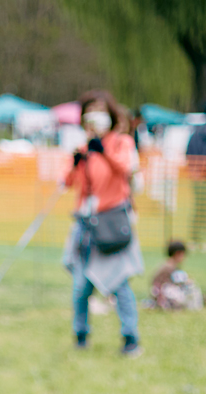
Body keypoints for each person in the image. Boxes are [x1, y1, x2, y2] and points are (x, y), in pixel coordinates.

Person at [62, 89, 144, 357]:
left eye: (99, 109)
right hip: (86, 222)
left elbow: (125, 169)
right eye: (90, 110)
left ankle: (130, 338)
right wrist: (76, 163)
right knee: (80, 286)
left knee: (120, 283)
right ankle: (80, 333)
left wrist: (103, 151)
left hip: (111, 222)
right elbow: (68, 183)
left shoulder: (121, 142)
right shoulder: (84, 148)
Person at [150, 240, 203, 310]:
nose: (184, 258)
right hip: (162, 294)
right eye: (183, 255)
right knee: (191, 288)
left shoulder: (169, 264)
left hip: (160, 292)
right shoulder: (169, 266)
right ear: (177, 254)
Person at [187, 120, 206, 252]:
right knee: (200, 209)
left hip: (197, 178)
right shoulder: (198, 134)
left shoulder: (196, 133)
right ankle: (195, 239)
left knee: (199, 209)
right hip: (199, 178)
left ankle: (196, 239)